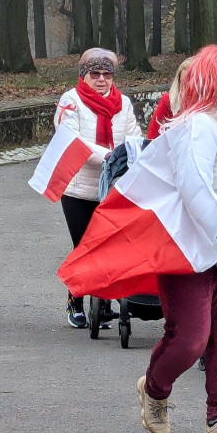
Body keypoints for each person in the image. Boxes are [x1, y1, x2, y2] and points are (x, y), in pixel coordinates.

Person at [54, 47, 141, 328]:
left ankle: (101, 303)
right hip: (79, 188)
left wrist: (130, 155)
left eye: (107, 74)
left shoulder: (123, 104)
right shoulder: (71, 101)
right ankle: (75, 299)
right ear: (84, 75)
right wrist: (108, 155)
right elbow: (71, 139)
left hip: (113, 187)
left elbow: (133, 135)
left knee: (108, 246)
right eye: (95, 74)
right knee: (84, 246)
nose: (102, 79)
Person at [146, 57, 193, 140]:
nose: (186, 89)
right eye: (182, 84)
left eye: (190, 84)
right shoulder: (169, 101)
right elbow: (151, 138)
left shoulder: (209, 108)